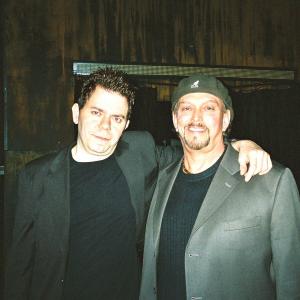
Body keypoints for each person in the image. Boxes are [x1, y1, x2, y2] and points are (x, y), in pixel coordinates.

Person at [5, 68, 272, 300]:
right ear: (77, 113)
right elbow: (19, 265)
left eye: (117, 118)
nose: (105, 126)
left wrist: (239, 144)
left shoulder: (140, 152)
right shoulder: (36, 177)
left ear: (126, 124)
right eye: (96, 112)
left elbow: (199, 149)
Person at [139, 74, 300, 300]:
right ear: (175, 119)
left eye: (209, 108)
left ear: (225, 120)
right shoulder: (162, 179)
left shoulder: (273, 182)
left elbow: (292, 282)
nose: (196, 118)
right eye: (186, 108)